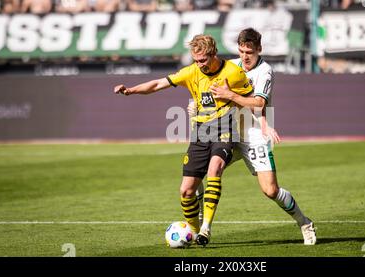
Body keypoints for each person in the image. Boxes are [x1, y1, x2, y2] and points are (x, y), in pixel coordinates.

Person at [113, 34, 253, 246]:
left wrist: (231, 96)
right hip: (200, 132)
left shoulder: (233, 73)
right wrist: (131, 91)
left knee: (215, 168)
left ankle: (206, 227)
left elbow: (254, 101)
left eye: (203, 60)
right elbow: (159, 84)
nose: (200, 65)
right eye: (196, 60)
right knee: (186, 191)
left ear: (213, 53)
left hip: (225, 128)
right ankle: (194, 232)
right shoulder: (191, 72)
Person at [189, 28, 317, 245]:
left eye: (249, 51)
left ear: (259, 49)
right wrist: (195, 105)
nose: (244, 56)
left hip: (254, 134)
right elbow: (206, 89)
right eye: (241, 51)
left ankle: (304, 222)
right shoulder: (230, 66)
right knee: (199, 172)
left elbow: (258, 103)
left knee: (270, 190)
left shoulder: (265, 71)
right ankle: (202, 221)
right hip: (228, 132)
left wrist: (232, 96)